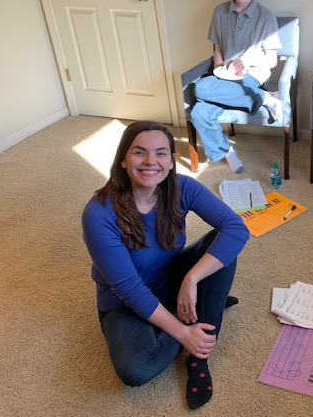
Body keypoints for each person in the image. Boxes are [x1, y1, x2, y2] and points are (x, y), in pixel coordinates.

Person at [82, 121, 249, 409]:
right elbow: (131, 290)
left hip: (171, 278)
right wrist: (183, 333)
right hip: (123, 303)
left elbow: (235, 228)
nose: (151, 161)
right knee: (136, 369)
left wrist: (191, 280)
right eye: (139, 152)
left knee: (222, 249)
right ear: (123, 159)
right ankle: (199, 318)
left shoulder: (182, 187)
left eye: (161, 153)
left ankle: (198, 357)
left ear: (171, 161)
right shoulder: (98, 213)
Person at [189, 0, 281, 174]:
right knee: (199, 111)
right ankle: (227, 150)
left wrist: (245, 62)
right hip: (224, 76)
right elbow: (217, 49)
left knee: (200, 89)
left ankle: (262, 96)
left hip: (251, 78)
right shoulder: (219, 12)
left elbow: (271, 59)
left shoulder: (266, 17)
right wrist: (220, 68)